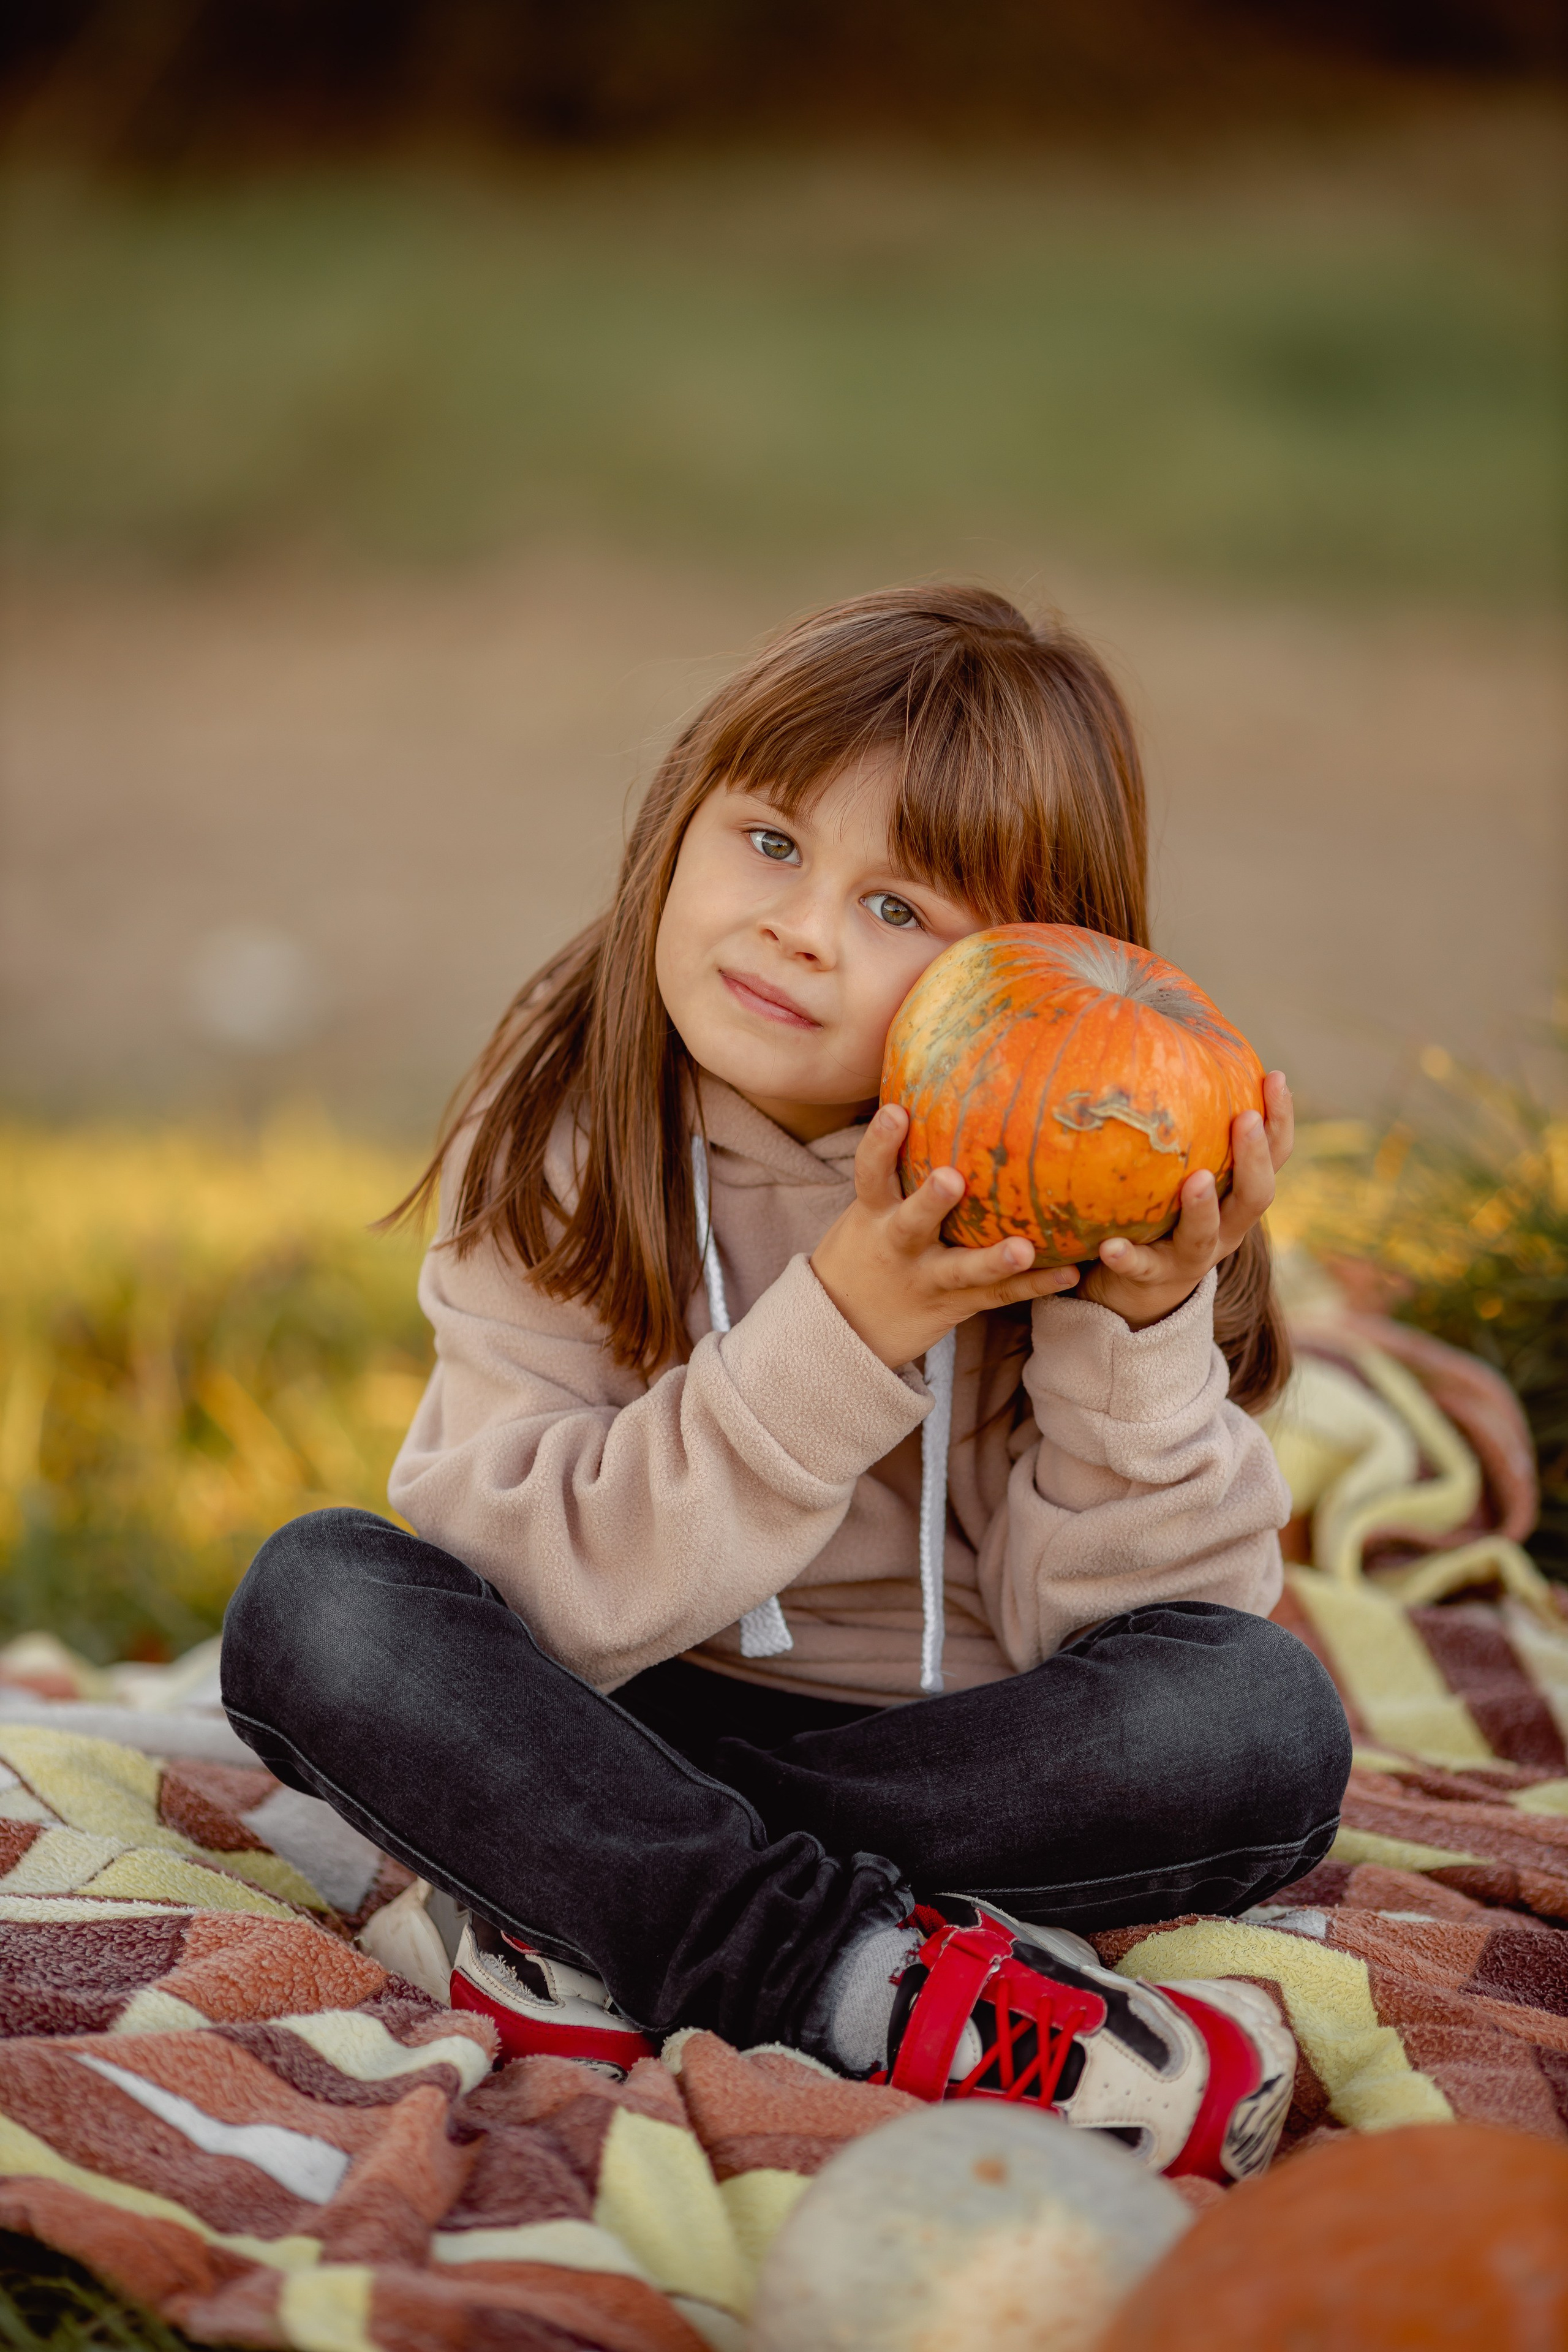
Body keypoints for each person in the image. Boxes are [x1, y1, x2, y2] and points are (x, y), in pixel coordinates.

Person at [222, 585, 1350, 2183]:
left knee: (1263, 1715)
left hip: (957, 1755)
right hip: (608, 1699)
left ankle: (611, 1911)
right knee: (317, 1606)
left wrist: (1134, 1327)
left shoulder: (1086, 1161)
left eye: (900, 910)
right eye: (769, 841)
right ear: (680, 819)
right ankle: (865, 1981)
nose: (802, 927)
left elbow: (1128, 1641)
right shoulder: (561, 1120)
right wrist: (844, 1327)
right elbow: (526, 1593)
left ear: (1041, 965)